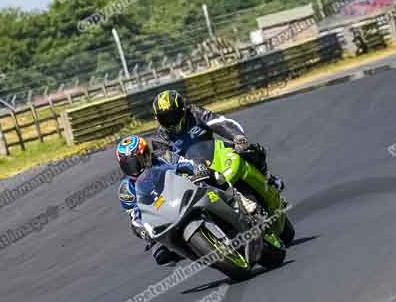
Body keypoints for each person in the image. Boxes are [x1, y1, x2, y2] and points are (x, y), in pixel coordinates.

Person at [150, 89, 284, 192]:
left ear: (183, 110)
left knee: (251, 150)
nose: (170, 121)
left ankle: (267, 177)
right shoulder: (159, 139)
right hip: (193, 172)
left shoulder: (194, 113)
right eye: (164, 118)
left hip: (216, 152)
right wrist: (189, 169)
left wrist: (237, 136)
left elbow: (220, 122)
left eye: (173, 115)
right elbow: (165, 164)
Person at [116, 135, 198, 266]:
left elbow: (187, 164)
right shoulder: (126, 189)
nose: (133, 169)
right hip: (161, 216)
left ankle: (232, 198)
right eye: (127, 165)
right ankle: (194, 252)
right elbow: (135, 215)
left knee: (213, 177)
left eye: (136, 162)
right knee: (160, 255)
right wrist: (141, 230)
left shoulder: (165, 157)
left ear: (146, 155)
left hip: (185, 193)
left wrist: (196, 170)